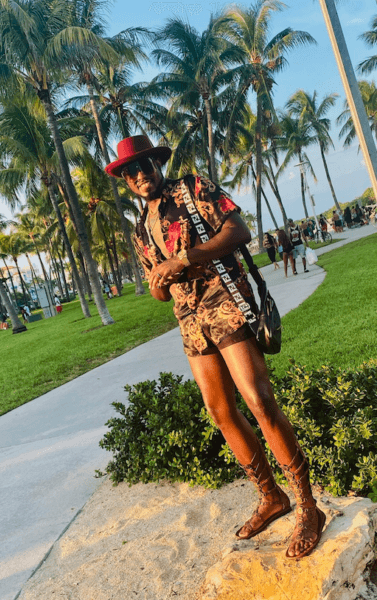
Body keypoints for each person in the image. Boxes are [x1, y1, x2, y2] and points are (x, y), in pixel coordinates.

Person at [105, 135, 326, 559]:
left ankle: (308, 507)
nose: (139, 176)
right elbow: (161, 294)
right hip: (190, 321)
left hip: (225, 300)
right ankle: (271, 497)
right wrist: (159, 282)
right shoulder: (139, 229)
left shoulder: (192, 189)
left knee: (259, 400)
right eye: (130, 173)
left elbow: (239, 229)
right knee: (220, 412)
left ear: (157, 164)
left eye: (145, 166)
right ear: (126, 181)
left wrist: (184, 259)